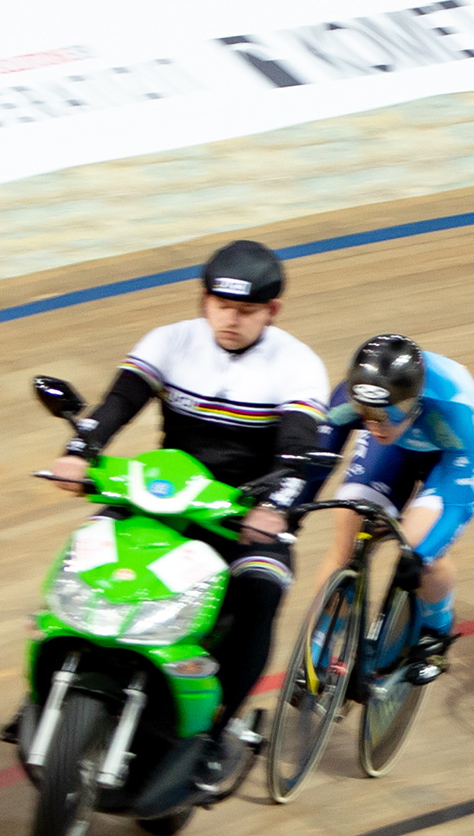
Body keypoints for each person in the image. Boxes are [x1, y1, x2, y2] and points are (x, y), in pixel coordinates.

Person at [43, 240, 330, 787]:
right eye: (223, 307)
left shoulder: (297, 365)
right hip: (165, 497)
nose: (232, 320)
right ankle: (61, 681)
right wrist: (81, 452)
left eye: (247, 312)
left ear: (273, 311)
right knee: (86, 561)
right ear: (205, 300)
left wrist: (275, 506)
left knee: (260, 594)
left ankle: (218, 729)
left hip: (248, 511)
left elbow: (298, 450)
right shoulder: (170, 342)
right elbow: (119, 404)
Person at [318, 335, 474, 685]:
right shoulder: (362, 400)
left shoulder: (449, 405)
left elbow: (455, 501)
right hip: (400, 446)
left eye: (387, 414)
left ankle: (436, 633)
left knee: (419, 550)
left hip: (459, 453)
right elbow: (318, 460)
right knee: (348, 525)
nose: (376, 423)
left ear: (414, 401)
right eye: (368, 414)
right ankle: (319, 643)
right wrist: (290, 510)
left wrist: (421, 555)